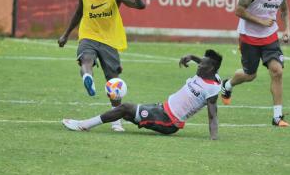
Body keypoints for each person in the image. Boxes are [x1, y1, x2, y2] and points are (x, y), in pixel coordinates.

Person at [58, 0, 146, 132]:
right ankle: (87, 78)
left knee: (113, 81)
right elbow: (78, 14)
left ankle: (116, 120)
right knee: (86, 58)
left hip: (109, 41)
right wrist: (66, 34)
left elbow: (140, 6)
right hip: (88, 36)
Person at [62, 50, 223, 140]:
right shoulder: (207, 74)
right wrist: (191, 57)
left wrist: (213, 138)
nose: (199, 64)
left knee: (126, 107)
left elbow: (212, 115)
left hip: (168, 121)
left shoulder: (211, 89)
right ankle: (116, 124)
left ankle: (84, 124)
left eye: (202, 63)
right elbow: (204, 62)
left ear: (211, 68)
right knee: (126, 112)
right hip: (161, 108)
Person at [220, 0, 290, 127]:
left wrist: (287, 29)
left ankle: (277, 117)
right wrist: (260, 21)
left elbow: (285, 10)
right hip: (249, 37)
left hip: (270, 37)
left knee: (277, 71)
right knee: (250, 74)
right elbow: (238, 10)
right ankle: (227, 84)